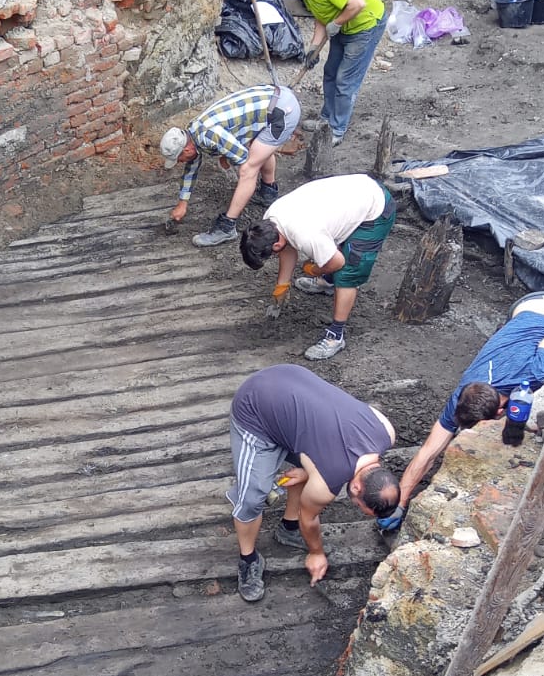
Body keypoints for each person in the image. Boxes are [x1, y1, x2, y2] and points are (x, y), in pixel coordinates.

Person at [391, 291, 544, 523]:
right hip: (524, 306)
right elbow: (428, 452)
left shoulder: (536, 374)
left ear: (499, 412)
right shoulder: (463, 393)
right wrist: (400, 501)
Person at [227, 363, 399, 597]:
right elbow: (309, 519)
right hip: (256, 406)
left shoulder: (386, 430)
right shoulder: (325, 485)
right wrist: (316, 552)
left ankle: (288, 529)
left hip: (291, 378)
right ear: (357, 486)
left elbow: (333, 440)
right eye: (359, 505)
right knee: (251, 498)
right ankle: (248, 559)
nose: (355, 506)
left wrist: (311, 471)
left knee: (308, 469)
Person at [238, 174, 397, 361]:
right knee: (330, 254)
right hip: (352, 194)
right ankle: (329, 283)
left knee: (347, 274)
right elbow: (286, 250)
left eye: (270, 254)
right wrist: (281, 287)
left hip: (375, 208)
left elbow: (338, 262)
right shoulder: (271, 220)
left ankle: (336, 336)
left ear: (275, 245)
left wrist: (315, 270)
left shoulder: (305, 234)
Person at [159, 83, 302, 247]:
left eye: (179, 158)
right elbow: (191, 168)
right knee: (258, 148)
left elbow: (242, 156)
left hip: (282, 112)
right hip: (274, 100)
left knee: (248, 169)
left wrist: (226, 158)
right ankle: (268, 193)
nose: (179, 162)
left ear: (187, 149)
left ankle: (227, 227)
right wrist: (182, 203)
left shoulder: (208, 135)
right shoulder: (192, 132)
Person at [273, 0, 388, 143]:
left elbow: (358, 4)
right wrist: (313, 49)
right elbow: (322, 15)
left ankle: (337, 129)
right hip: (343, 26)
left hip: (365, 25)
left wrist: (336, 23)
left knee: (345, 80)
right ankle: (326, 119)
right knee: (330, 72)